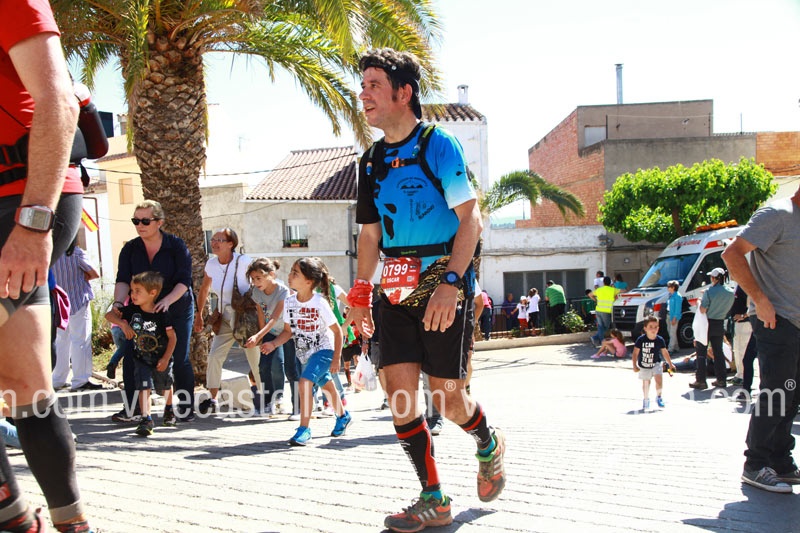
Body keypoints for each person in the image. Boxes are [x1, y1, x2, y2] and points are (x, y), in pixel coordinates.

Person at [347, 48, 505, 532]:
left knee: (447, 400)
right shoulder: (371, 161)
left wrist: (452, 284)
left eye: (374, 85)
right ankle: (433, 497)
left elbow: (470, 219)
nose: (364, 94)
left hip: (442, 284)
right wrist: (360, 294)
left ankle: (488, 443)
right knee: (400, 398)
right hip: (393, 292)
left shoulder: (439, 145)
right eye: (363, 86)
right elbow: (370, 236)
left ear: (404, 92)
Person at [0, 1, 93, 530]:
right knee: (25, 384)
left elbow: (59, 100)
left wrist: (34, 225)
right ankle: (65, 522)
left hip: (26, 200)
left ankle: (16, 519)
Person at [721, 184, 800, 493]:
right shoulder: (777, 214)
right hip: (775, 318)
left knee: (792, 393)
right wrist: (759, 300)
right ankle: (755, 464)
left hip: (795, 322)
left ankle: (780, 461)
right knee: (776, 392)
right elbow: (732, 254)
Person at [111, 199, 195, 422]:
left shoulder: (176, 245)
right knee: (133, 355)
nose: (140, 225)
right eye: (136, 221)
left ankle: (185, 408)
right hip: (143, 311)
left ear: (159, 222)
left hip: (176, 306)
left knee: (179, 356)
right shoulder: (130, 248)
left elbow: (184, 280)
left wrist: (167, 300)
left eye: (145, 221)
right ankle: (133, 409)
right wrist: (118, 304)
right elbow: (122, 279)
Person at [260, 258, 351, 446]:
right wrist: (274, 344)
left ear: (309, 282)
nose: (290, 275)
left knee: (305, 382)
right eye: (291, 271)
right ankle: (343, 416)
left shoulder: (320, 302)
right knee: (326, 385)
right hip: (305, 354)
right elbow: (288, 332)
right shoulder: (289, 302)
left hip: (324, 350)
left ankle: (304, 429)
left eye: (295, 273)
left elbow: (337, 332)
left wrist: (336, 359)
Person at [194, 228, 262, 415]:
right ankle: (213, 399)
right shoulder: (211, 264)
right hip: (224, 315)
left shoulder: (244, 261)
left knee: (254, 359)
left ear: (231, 244)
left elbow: (261, 281)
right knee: (214, 356)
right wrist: (199, 314)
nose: (214, 243)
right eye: (213, 239)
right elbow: (204, 289)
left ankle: (265, 398)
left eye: (220, 240)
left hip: (245, 317)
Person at [105, 271, 177, 436]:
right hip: (141, 358)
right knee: (143, 386)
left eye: (138, 291)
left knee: (165, 385)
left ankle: (169, 409)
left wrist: (166, 358)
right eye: (132, 290)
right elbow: (109, 315)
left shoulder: (162, 313)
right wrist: (123, 325)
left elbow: (173, 338)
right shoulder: (132, 310)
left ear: (152, 293)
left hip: (160, 357)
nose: (133, 294)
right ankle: (146, 418)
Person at [51, 244, 101, 391]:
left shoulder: (51, 254)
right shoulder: (76, 253)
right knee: (80, 340)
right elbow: (94, 273)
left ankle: (58, 379)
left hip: (59, 303)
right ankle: (80, 380)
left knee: (61, 341)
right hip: (78, 299)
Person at [245, 257, 288, 415]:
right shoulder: (256, 292)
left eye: (259, 278)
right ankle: (268, 401)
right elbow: (261, 315)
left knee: (278, 363)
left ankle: (279, 398)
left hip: (285, 332)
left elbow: (275, 317)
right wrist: (262, 337)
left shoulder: (283, 291)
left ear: (271, 275)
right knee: (263, 366)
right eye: (253, 279)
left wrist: (257, 336)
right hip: (268, 332)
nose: (255, 282)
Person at [689, 268, 734, 389]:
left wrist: (699, 301)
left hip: (706, 323)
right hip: (719, 323)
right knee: (718, 352)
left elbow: (703, 309)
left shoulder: (709, 291)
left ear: (714, 278)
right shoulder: (730, 292)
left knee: (701, 352)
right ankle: (721, 380)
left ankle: (701, 380)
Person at [632, 316, 676, 410]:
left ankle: (659, 397)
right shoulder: (641, 340)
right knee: (646, 383)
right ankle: (646, 399)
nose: (653, 329)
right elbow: (635, 353)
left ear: (658, 328)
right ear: (645, 328)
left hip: (656, 363)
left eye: (655, 327)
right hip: (644, 365)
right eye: (651, 327)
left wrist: (670, 364)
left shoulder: (659, 340)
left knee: (659, 380)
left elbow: (664, 352)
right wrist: (634, 365)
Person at [589, 276, 616, 347]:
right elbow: (624, 291)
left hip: (598, 310)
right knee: (605, 327)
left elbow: (590, 295)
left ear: (603, 282)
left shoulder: (599, 290)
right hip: (606, 311)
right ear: (610, 283)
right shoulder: (613, 290)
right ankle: (599, 340)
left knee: (600, 327)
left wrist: (596, 300)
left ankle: (598, 339)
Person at [666, 280, 683, 353]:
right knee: (670, 331)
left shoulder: (678, 296)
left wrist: (675, 318)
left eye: (669, 286)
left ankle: (670, 349)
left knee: (672, 333)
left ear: (673, 287)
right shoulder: (670, 295)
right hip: (668, 315)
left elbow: (678, 309)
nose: (667, 288)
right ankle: (676, 347)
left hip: (673, 317)